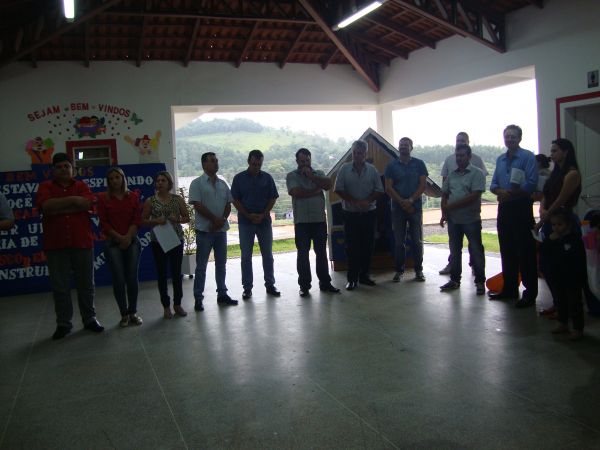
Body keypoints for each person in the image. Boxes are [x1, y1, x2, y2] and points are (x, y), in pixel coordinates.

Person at [35, 153, 104, 340]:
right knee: (60, 287)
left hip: (81, 242)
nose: (63, 169)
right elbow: (46, 207)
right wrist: (74, 201)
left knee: (86, 284)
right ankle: (64, 324)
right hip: (55, 245)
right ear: (53, 170)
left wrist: (59, 206)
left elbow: (86, 203)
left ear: (73, 169)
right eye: (59, 167)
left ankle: (90, 319)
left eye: (67, 166)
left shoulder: (81, 185)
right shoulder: (45, 186)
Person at [489, 124, 538, 308]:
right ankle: (509, 289)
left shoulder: (527, 157)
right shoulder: (500, 159)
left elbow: (531, 183)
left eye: (513, 136)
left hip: (521, 207)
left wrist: (509, 194)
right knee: (507, 250)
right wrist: (501, 192)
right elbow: (493, 184)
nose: (509, 139)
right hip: (505, 208)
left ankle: (530, 294)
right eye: (507, 136)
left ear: (520, 138)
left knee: (525, 252)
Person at [535, 138, 582, 317]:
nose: (552, 154)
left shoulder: (572, 174)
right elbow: (545, 195)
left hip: (564, 223)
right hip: (550, 221)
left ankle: (567, 308)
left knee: (565, 269)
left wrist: (545, 216)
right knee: (547, 266)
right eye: (551, 151)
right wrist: (542, 209)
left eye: (555, 151)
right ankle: (559, 303)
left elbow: (561, 199)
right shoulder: (555, 173)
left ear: (566, 152)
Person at [286, 148, 340, 297]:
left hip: (319, 221)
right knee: (303, 254)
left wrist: (311, 177)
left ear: (310, 160)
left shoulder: (319, 173)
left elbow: (328, 185)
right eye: (302, 161)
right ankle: (304, 286)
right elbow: (296, 192)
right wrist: (316, 191)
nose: (305, 163)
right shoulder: (291, 175)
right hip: (301, 222)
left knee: (321, 253)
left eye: (307, 160)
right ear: (297, 161)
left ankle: (325, 283)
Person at [189, 152, 238, 310]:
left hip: (220, 231)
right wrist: (213, 219)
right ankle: (198, 298)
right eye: (212, 161)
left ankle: (222, 294)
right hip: (205, 231)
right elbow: (197, 205)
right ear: (204, 164)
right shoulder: (197, 183)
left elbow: (228, 204)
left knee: (221, 264)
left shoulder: (223, 183)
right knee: (201, 266)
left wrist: (221, 219)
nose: (216, 163)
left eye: (216, 160)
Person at [333, 140, 384, 290]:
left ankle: (364, 276)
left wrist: (367, 201)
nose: (357, 155)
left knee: (368, 246)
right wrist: (354, 201)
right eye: (355, 153)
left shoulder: (372, 170)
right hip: (350, 215)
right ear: (352, 153)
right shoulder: (344, 169)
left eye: (360, 153)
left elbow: (379, 190)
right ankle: (352, 279)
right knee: (352, 247)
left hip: (369, 214)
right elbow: (338, 189)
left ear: (365, 154)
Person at [231, 149, 280, 299]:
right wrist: (248, 215)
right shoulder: (238, 178)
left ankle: (270, 285)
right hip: (245, 222)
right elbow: (235, 200)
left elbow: (272, 198)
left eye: (259, 164)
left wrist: (264, 214)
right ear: (248, 161)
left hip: (264, 222)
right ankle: (247, 288)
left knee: (268, 255)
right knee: (246, 256)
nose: (256, 167)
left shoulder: (267, 178)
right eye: (254, 164)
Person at [97, 167, 143, 327]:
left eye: (117, 177)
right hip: (112, 242)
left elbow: (137, 219)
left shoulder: (133, 197)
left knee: (132, 277)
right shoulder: (103, 198)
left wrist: (128, 237)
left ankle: (133, 312)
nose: (114, 181)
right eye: (111, 179)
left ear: (123, 179)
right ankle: (124, 314)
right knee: (118, 278)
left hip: (132, 241)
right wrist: (120, 238)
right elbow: (104, 223)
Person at [439, 144, 487, 295]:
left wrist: (451, 206)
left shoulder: (477, 173)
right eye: (457, 156)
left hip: (471, 220)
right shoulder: (452, 175)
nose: (459, 158)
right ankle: (454, 280)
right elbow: (445, 194)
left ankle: (480, 282)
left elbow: (474, 196)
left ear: (469, 157)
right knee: (454, 251)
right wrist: (444, 213)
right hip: (454, 220)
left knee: (476, 250)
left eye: (462, 155)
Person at [142, 171, 190, 319]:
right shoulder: (150, 201)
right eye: (158, 181)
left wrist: (177, 219)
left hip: (176, 239)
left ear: (169, 183)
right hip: (158, 241)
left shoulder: (177, 199)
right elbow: (143, 220)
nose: (160, 183)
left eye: (163, 180)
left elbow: (187, 217)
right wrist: (156, 221)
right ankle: (166, 306)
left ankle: (178, 304)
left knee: (176, 273)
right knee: (162, 274)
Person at [384, 137, 428, 282]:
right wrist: (402, 202)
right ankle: (399, 271)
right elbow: (388, 188)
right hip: (398, 209)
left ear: (411, 147)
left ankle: (418, 271)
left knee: (417, 241)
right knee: (399, 242)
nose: (403, 146)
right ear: (398, 147)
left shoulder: (419, 164)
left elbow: (423, 185)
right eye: (401, 144)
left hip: (415, 208)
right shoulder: (391, 166)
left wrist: (410, 200)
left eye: (406, 144)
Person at [540, 208, 586, 341]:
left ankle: (577, 328)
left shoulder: (575, 239)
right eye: (553, 224)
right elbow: (543, 251)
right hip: (557, 275)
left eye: (560, 224)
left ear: (568, 224)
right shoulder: (552, 238)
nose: (556, 228)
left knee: (574, 302)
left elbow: (578, 258)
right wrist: (550, 240)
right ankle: (562, 323)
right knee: (560, 300)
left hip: (572, 276)